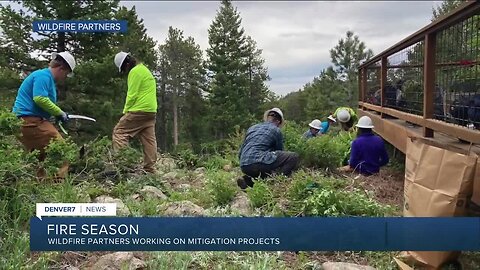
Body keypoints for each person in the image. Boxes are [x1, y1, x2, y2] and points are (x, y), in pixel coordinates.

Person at [12, 51, 76, 179]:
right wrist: (60, 112)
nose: (65, 77)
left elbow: (40, 104)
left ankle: (42, 186)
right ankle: (58, 185)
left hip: (27, 121)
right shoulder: (43, 76)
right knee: (62, 150)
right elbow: (40, 98)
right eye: (66, 73)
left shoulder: (45, 78)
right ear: (61, 68)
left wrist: (53, 115)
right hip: (30, 122)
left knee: (42, 156)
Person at [112, 52, 158, 173]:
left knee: (119, 132)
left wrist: (125, 111)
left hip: (138, 109)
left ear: (126, 64)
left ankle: (124, 165)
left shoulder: (135, 72)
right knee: (148, 139)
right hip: (151, 110)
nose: (124, 72)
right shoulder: (144, 70)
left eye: (123, 69)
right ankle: (150, 169)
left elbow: (132, 94)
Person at [237, 108, 300, 189]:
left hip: (244, 164)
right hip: (259, 161)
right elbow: (279, 151)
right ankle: (277, 181)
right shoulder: (276, 130)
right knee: (293, 157)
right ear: (278, 121)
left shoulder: (252, 128)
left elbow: (240, 152)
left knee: (264, 170)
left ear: (267, 118)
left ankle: (247, 181)